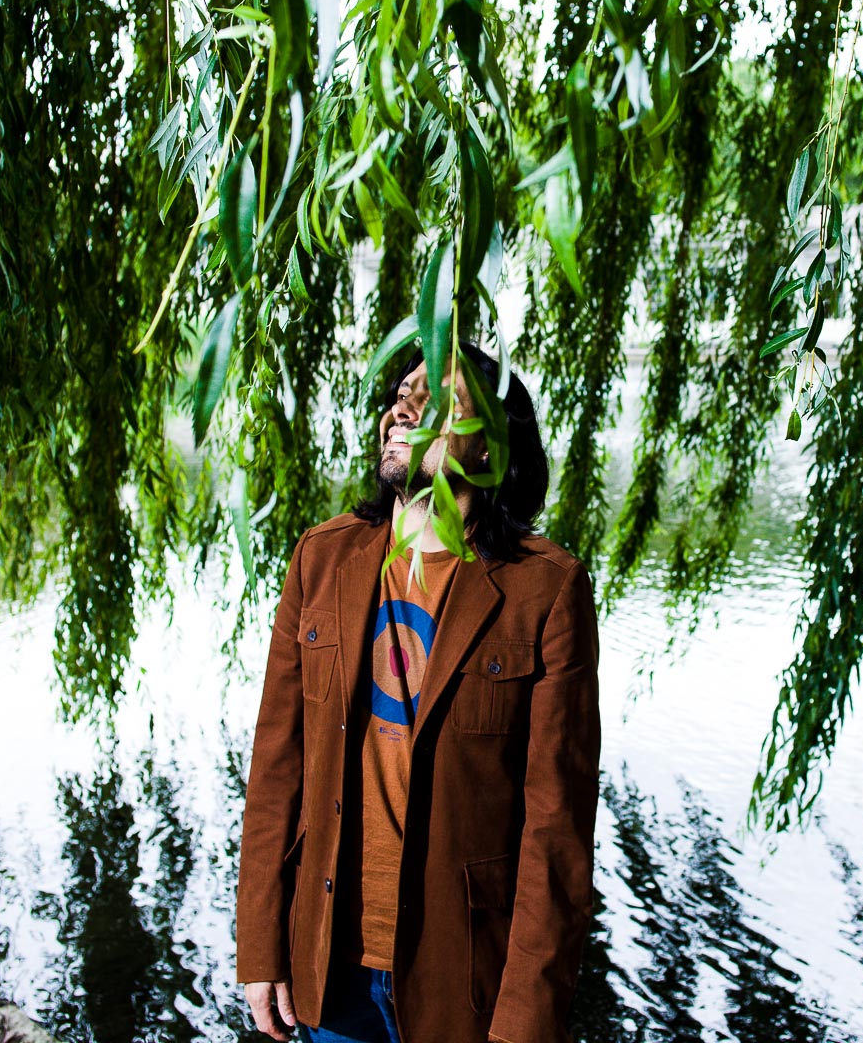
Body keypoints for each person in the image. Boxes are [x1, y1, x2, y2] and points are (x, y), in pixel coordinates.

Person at [236, 339, 602, 1043]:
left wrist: (525, 1024)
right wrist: (260, 946)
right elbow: (275, 769)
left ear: (492, 449)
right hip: (328, 964)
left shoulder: (544, 590)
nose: (400, 408)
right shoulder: (323, 556)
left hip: (464, 981)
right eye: (401, 392)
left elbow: (556, 833)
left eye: (436, 400)